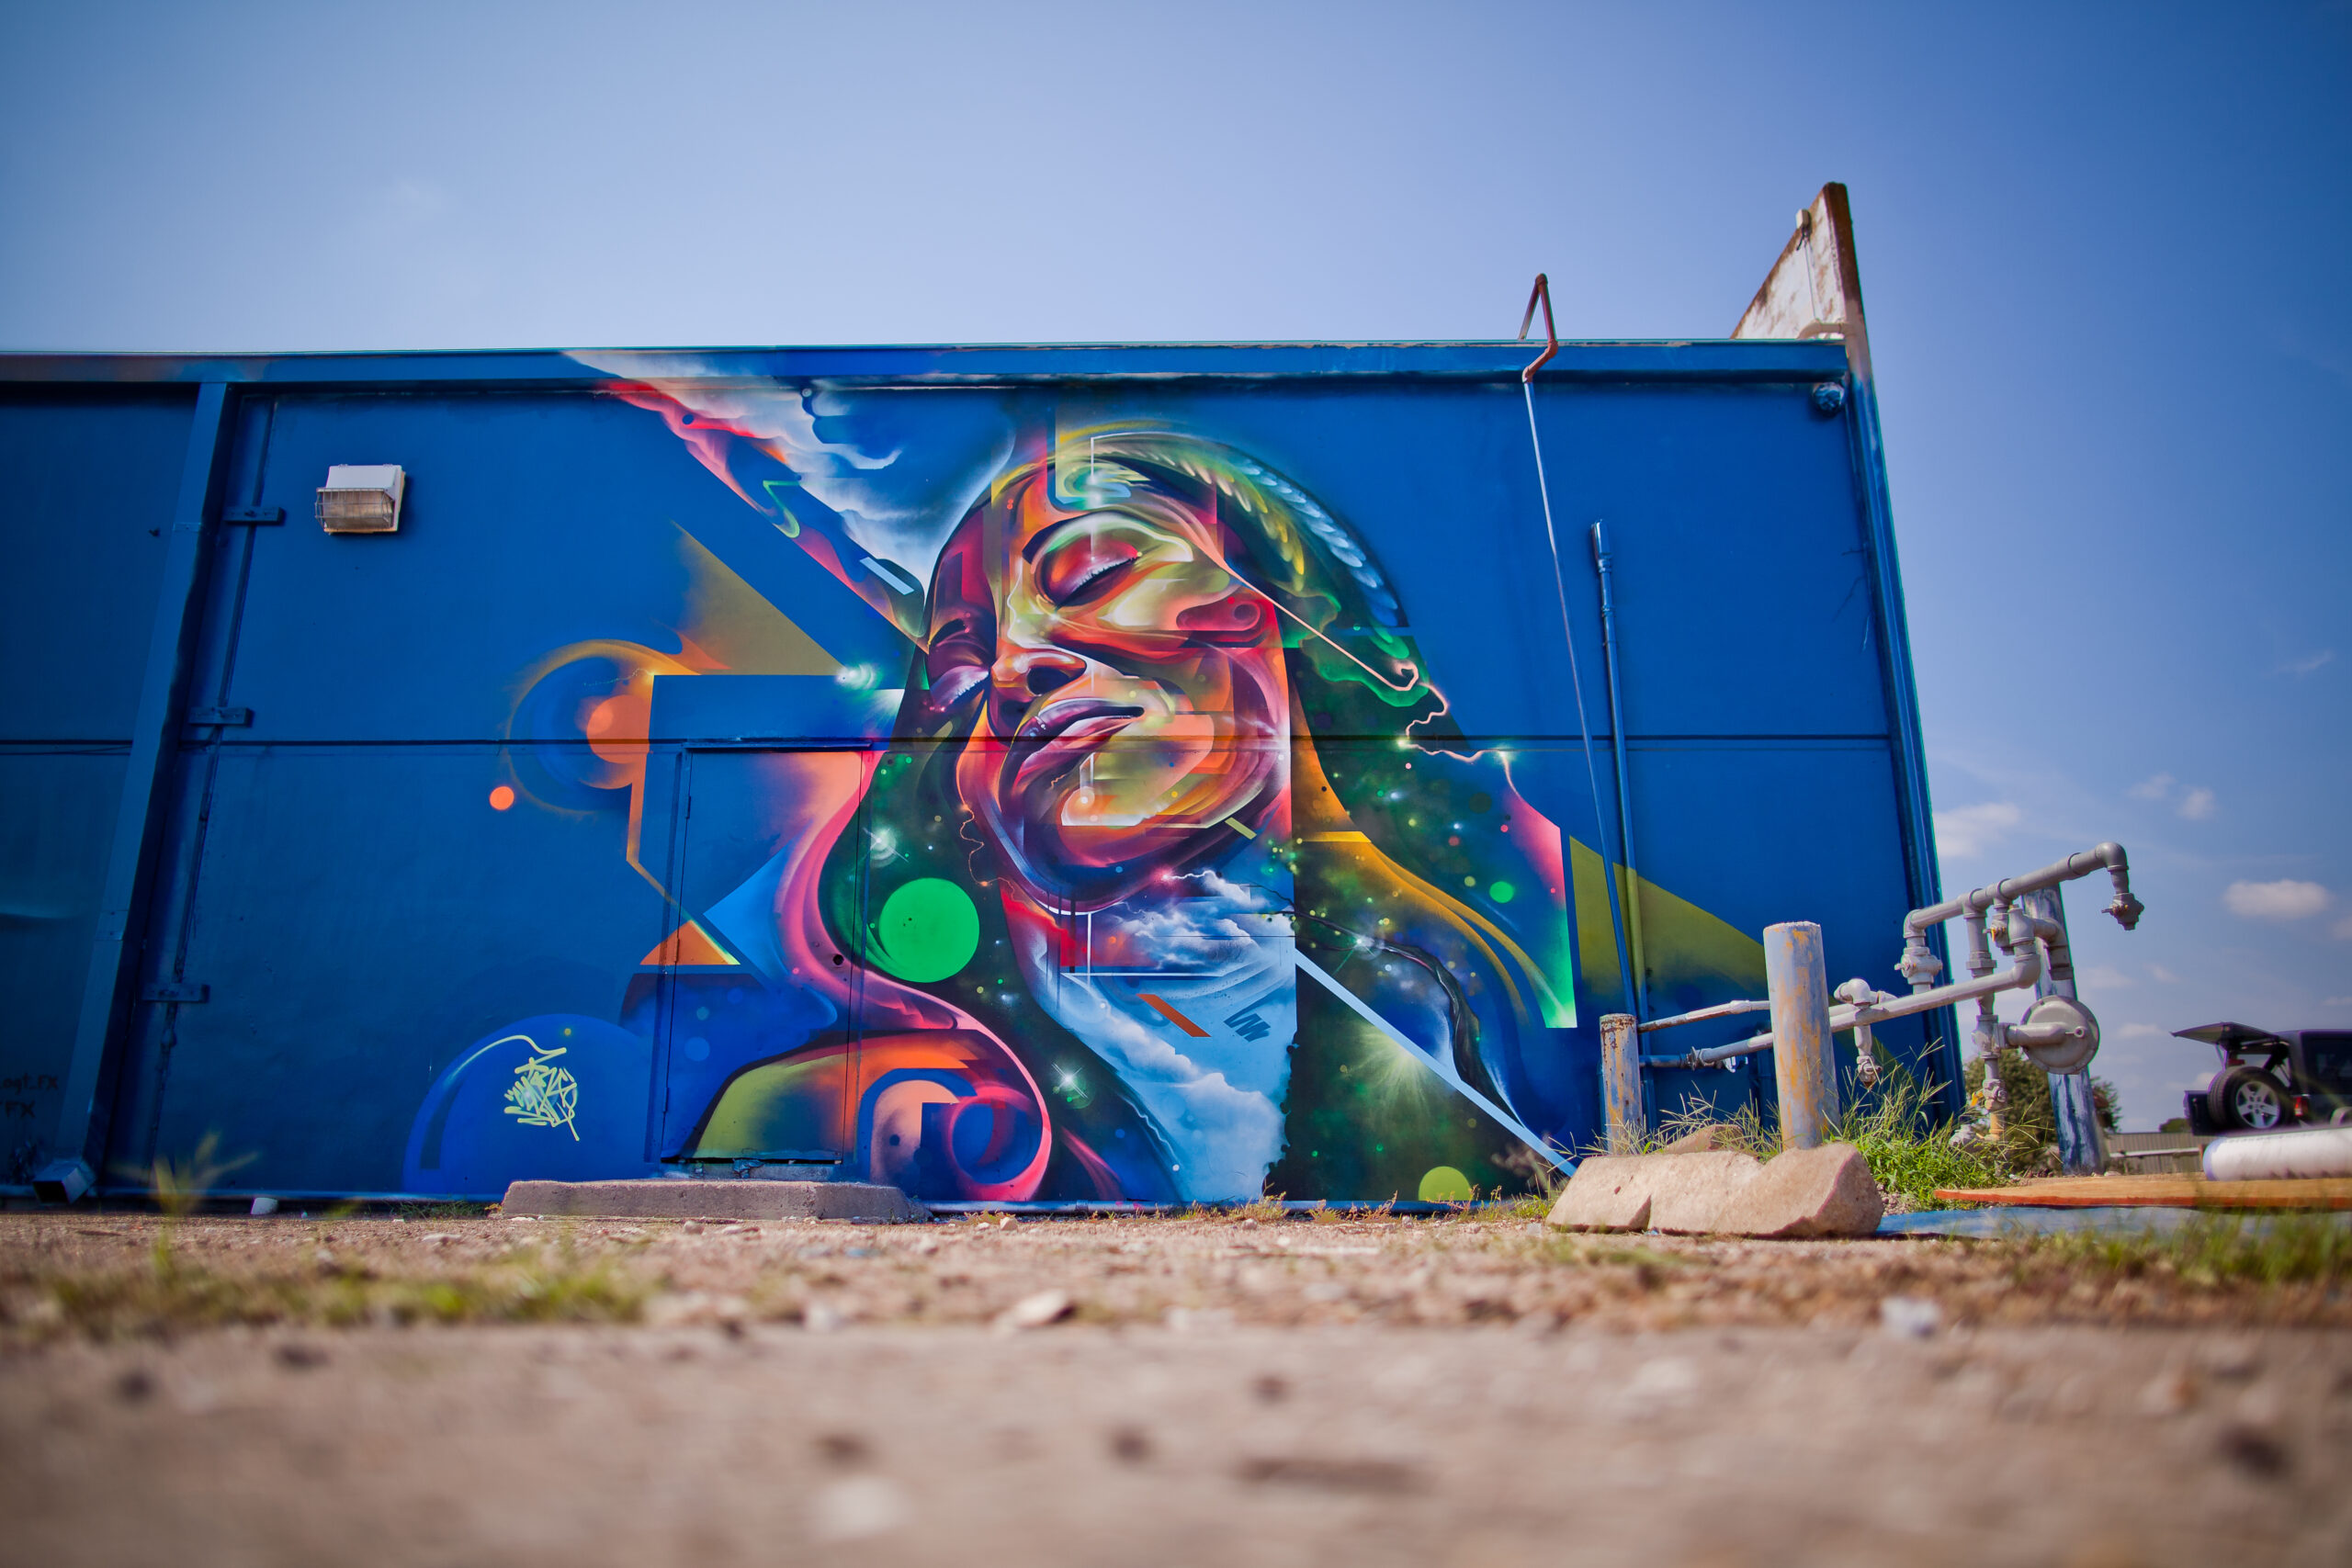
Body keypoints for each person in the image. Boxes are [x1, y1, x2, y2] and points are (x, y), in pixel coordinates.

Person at [672, 427, 1589, 1204]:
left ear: (1285, 611)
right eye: (960, 661)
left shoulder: (1443, 1002)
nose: (1013, 665)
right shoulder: (841, 1102)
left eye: (1095, 572)